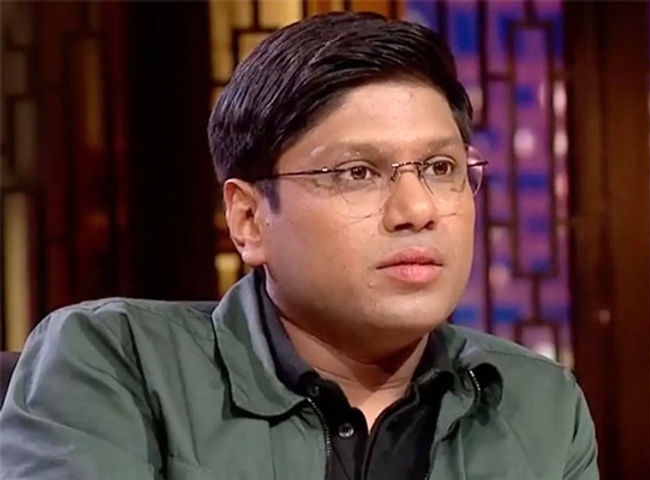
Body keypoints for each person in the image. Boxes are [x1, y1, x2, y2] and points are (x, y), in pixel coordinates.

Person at [0, 11, 598, 480]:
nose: (418, 211)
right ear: (249, 218)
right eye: (358, 173)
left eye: (441, 168)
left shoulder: (539, 405)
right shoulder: (118, 363)